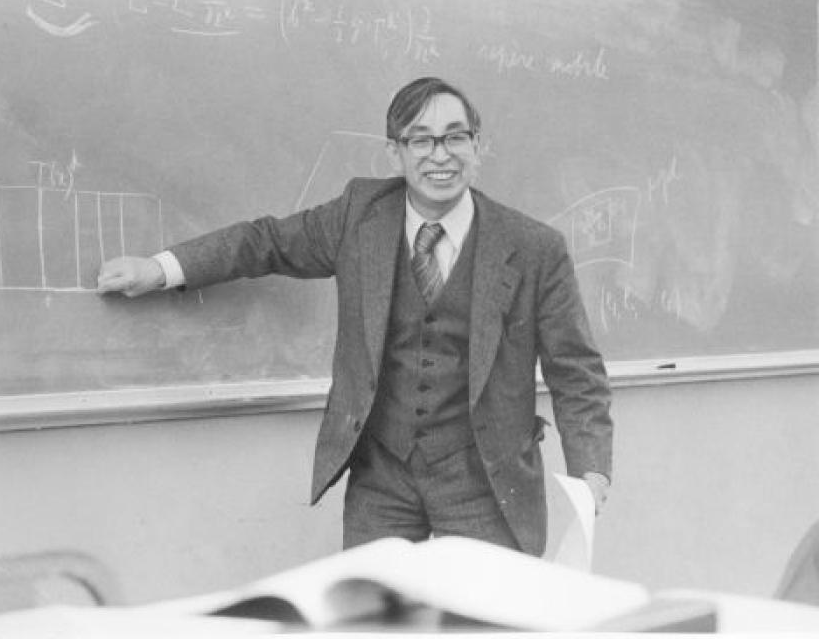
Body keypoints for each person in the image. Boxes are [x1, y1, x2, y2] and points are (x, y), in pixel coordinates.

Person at [97, 76, 612, 556]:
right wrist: (160, 268)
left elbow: (575, 369)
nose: (440, 155)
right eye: (421, 140)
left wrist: (590, 470)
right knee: (374, 620)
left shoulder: (533, 248)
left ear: (478, 147)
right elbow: (265, 242)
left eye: (456, 138)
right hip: (383, 475)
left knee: (488, 623)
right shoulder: (360, 214)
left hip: (487, 478)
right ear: (395, 152)